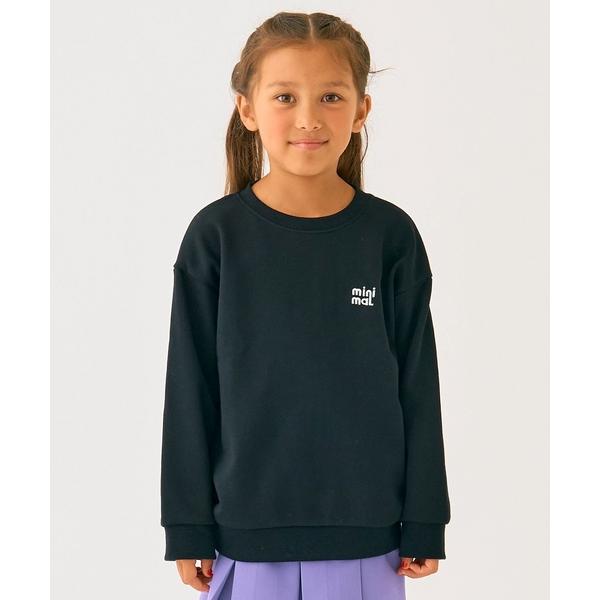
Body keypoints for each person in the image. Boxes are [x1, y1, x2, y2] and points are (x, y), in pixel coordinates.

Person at [160, 10, 451, 600]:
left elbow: (418, 384)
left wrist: (426, 518)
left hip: (370, 541)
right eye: (285, 97)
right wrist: (186, 525)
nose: (309, 118)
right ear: (247, 109)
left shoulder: (389, 237)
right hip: (246, 537)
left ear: (362, 110)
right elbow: (190, 387)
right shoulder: (216, 237)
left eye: (331, 97)